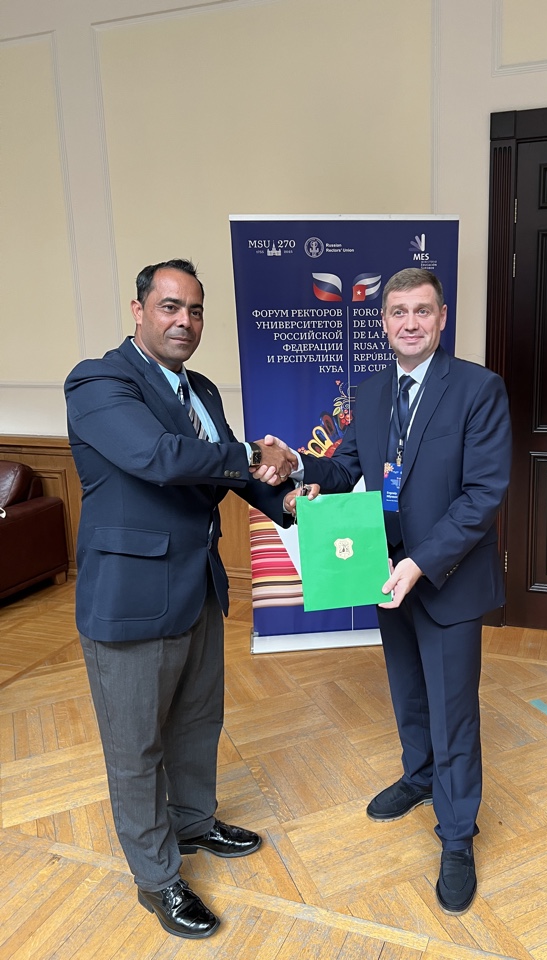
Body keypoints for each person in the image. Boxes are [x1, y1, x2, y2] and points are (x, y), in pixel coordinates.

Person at [64, 259, 297, 940]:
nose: (184, 322)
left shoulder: (202, 389)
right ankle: (157, 878)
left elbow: (227, 471)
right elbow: (162, 457)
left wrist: (287, 502)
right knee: (136, 746)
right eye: (170, 307)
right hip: (130, 601)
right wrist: (253, 452)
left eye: (194, 310)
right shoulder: (99, 382)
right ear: (139, 311)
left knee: (197, 721)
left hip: (197, 587)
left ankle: (194, 823)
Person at [298, 267, 511, 915]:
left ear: (442, 318)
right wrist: (306, 473)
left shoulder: (477, 388)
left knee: (454, 711)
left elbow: (483, 495)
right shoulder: (369, 393)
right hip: (385, 572)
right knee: (408, 691)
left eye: (422, 310)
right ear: (384, 321)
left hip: (446, 577)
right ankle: (419, 778)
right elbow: (347, 467)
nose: (410, 322)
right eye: (398, 311)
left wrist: (420, 561)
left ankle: (457, 834)